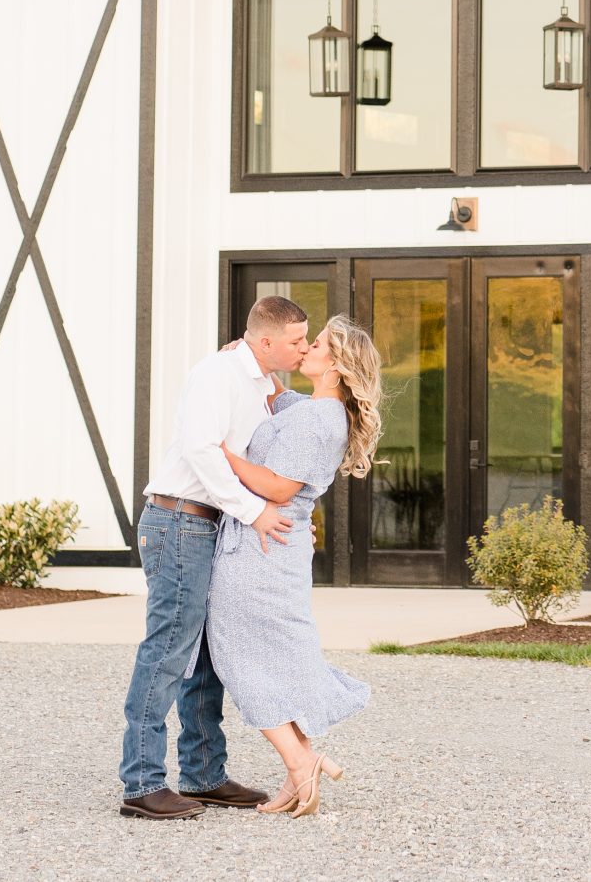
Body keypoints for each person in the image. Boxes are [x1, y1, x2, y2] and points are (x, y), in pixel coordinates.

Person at [117, 296, 306, 820]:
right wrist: (253, 511)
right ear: (265, 340)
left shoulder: (260, 380)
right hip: (179, 520)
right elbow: (202, 449)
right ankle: (141, 783)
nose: (304, 348)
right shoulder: (216, 374)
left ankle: (204, 776)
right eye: (296, 341)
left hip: (207, 524)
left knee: (205, 656)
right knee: (169, 650)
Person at [206, 313, 384, 816]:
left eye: (318, 343)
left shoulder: (319, 420)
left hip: (263, 549)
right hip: (269, 544)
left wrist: (220, 454)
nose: (306, 347)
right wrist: (245, 355)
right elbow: (270, 395)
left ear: (338, 364)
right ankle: (301, 766)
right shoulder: (309, 409)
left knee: (239, 656)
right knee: (269, 656)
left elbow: (281, 487)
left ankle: (300, 763)